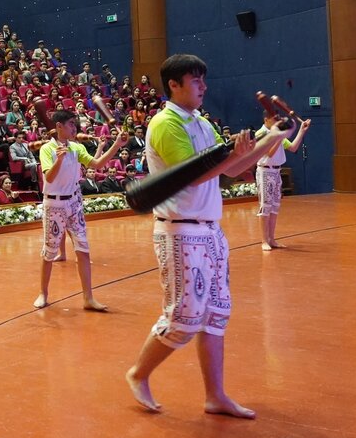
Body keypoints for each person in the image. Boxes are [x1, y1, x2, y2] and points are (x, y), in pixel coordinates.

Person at [124, 54, 287, 417]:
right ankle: (138, 373)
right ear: (174, 86)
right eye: (195, 81)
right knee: (184, 317)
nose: (203, 87)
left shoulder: (200, 123)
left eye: (203, 80)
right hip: (180, 232)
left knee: (215, 314)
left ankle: (215, 395)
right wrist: (258, 143)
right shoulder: (166, 124)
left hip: (210, 232)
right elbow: (196, 175)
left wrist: (270, 137)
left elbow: (234, 167)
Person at [33, 110, 127, 311]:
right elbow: (49, 178)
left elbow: (97, 164)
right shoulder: (47, 149)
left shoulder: (76, 147)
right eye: (70, 124)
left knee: (83, 249)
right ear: (58, 126)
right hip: (54, 205)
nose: (74, 128)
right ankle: (43, 293)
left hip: (74, 203)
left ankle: (88, 298)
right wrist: (59, 159)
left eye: (75, 124)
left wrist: (117, 145)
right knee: (49, 252)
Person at [255, 113, 311, 251]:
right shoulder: (261, 133)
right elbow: (269, 153)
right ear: (266, 119)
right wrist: (279, 136)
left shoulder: (277, 134)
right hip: (265, 171)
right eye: (274, 119)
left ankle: (272, 239)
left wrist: (301, 131)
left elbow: (292, 147)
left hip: (276, 171)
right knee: (265, 206)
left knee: (274, 207)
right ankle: (264, 240)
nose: (277, 122)